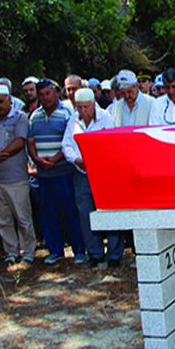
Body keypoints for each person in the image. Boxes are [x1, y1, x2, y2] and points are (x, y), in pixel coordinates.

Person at [62, 88, 125, 269]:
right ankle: (95, 253)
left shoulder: (105, 118)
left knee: (110, 213)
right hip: (81, 173)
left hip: (103, 174)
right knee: (85, 214)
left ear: (93, 105)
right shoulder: (73, 120)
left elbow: (112, 143)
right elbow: (67, 145)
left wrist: (96, 160)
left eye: (86, 107)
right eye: (80, 107)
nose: (83, 111)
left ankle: (114, 254)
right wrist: (76, 159)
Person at [27, 79, 86, 265]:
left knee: (71, 211)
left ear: (55, 92)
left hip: (63, 172)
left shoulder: (67, 112)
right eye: (41, 94)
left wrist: (55, 159)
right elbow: (30, 141)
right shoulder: (35, 116)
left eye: (47, 93)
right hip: (44, 174)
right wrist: (37, 160)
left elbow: (70, 140)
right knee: (48, 212)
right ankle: (55, 250)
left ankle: (79, 250)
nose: (45, 98)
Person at [0, 85, 36, 265]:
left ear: (9, 99)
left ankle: (28, 251)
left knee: (23, 217)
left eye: (1, 102)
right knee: (2, 219)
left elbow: (20, 142)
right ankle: (11, 251)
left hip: (16, 178)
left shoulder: (20, 117)